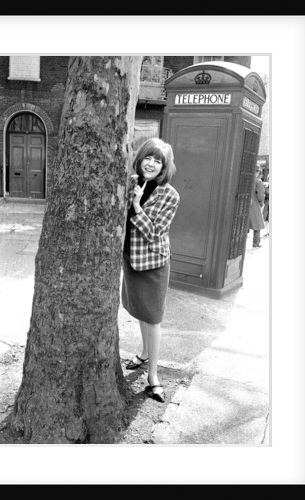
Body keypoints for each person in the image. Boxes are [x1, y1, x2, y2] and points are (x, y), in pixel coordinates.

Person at [121, 138, 180, 403]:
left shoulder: (170, 195)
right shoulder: (131, 181)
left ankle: (153, 376)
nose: (152, 164)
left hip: (153, 263)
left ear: (165, 167)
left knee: (153, 317)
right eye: (148, 157)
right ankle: (144, 353)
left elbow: (155, 233)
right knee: (140, 312)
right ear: (141, 157)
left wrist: (135, 207)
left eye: (158, 161)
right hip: (130, 259)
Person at [248, 165, 265, 247]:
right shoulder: (258, 181)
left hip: (246, 204)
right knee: (257, 225)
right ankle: (256, 243)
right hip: (255, 205)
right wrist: (261, 203)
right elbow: (260, 195)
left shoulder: (247, 180)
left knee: (245, 225)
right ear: (258, 172)